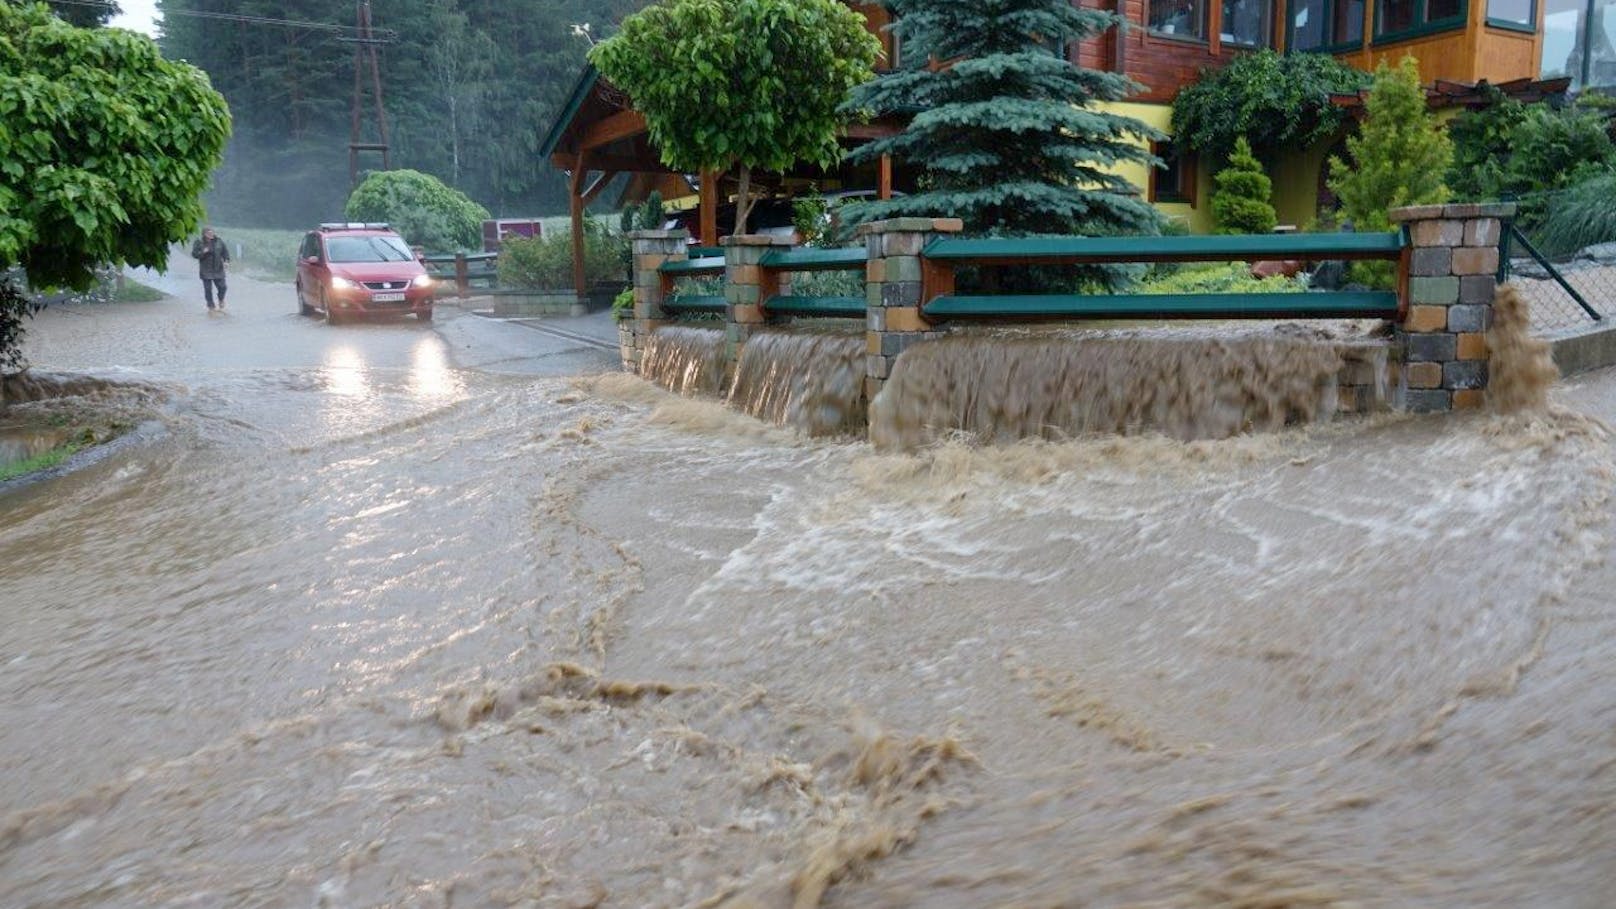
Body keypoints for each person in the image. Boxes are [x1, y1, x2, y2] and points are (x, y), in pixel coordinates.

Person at [191, 227, 230, 312]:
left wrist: (226, 261)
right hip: (205, 270)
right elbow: (194, 254)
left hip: (218, 269)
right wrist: (203, 252)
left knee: (223, 287)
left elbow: (225, 252)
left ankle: (221, 299)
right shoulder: (199, 242)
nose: (211, 235)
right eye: (208, 233)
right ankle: (211, 306)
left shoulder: (219, 241)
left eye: (212, 233)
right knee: (208, 289)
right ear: (204, 234)